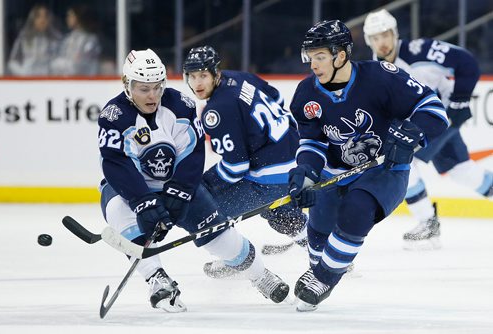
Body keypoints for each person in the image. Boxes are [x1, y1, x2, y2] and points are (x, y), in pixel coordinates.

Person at [98, 48, 290, 313]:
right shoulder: (113, 116)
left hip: (177, 183)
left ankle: (260, 274)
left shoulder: (181, 105)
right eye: (144, 89)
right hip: (133, 189)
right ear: (127, 85)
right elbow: (115, 163)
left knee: (221, 237)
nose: (152, 96)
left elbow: (193, 152)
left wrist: (180, 191)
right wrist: (142, 201)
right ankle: (158, 279)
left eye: (157, 87)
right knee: (118, 210)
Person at [288, 20, 448, 312]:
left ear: (341, 55)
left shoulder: (382, 77)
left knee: (356, 210)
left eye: (320, 56)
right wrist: (306, 173)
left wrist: (413, 133)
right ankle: (321, 267)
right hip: (336, 173)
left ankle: (325, 276)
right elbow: (312, 144)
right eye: (310, 57)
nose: (313, 64)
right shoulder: (305, 95)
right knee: (319, 222)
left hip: (385, 170)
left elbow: (434, 111)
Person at [363, 9, 493, 249]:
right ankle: (428, 223)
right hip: (421, 122)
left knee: (403, 160)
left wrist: (460, 101)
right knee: (463, 171)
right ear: (369, 41)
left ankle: (427, 223)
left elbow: (466, 62)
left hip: (441, 118)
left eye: (385, 35)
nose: (381, 42)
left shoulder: (417, 51)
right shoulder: (374, 69)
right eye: (375, 38)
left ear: (394, 33)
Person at [182, 45, 309, 276]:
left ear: (215, 73)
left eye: (203, 75)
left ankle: (235, 259)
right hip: (295, 159)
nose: (197, 83)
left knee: (207, 209)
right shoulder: (240, 77)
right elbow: (277, 98)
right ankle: (318, 247)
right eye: (192, 76)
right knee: (277, 210)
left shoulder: (217, 110)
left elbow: (235, 168)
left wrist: (202, 185)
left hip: (270, 177)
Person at [7, 4, 62, 76]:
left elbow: (61, 61)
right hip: (28, 79)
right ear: (33, 19)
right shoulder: (24, 37)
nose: (42, 20)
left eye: (45, 17)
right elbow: (12, 61)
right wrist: (22, 73)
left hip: (49, 80)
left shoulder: (56, 39)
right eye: (38, 17)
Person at [52, 5, 101, 75]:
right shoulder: (67, 39)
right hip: (65, 80)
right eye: (67, 16)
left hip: (85, 81)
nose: (67, 18)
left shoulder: (90, 39)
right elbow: (55, 63)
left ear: (79, 17)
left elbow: (81, 65)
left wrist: (67, 63)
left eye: (71, 16)